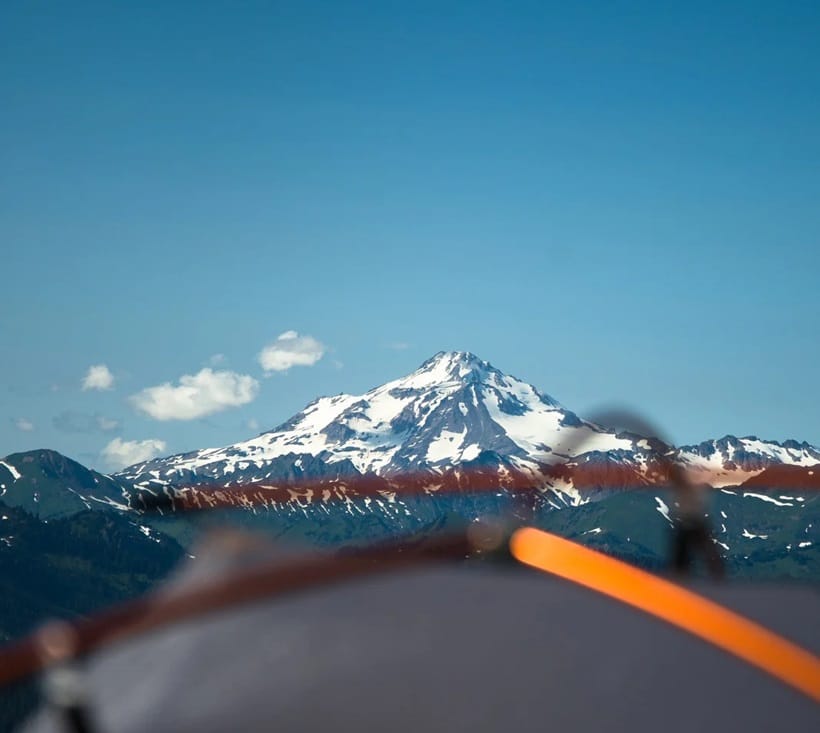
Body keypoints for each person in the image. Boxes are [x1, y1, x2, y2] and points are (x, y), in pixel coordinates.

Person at [667, 462, 725, 579]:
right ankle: (716, 575)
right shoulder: (687, 487)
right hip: (691, 523)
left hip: (694, 523)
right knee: (690, 553)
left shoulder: (688, 487)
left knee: (702, 552)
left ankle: (716, 574)